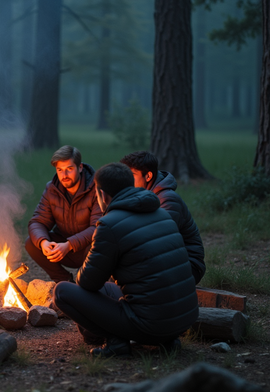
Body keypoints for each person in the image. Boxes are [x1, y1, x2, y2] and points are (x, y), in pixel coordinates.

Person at [53, 163, 199, 357]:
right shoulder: (162, 213)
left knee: (62, 291)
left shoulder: (108, 224)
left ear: (102, 195)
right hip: (183, 319)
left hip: (150, 325)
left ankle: (116, 343)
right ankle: (168, 341)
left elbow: (87, 282)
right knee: (107, 288)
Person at [120, 150, 206, 284]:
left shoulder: (168, 200)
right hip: (166, 261)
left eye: (131, 175)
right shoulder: (139, 196)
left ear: (148, 176)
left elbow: (157, 240)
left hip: (188, 266)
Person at [25, 145, 102, 283]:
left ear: (80, 167)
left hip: (88, 249)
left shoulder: (96, 188)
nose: (64, 175)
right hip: (63, 248)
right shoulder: (52, 189)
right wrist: (43, 242)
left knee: (99, 240)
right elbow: (38, 221)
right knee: (32, 242)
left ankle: (85, 281)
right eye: (60, 170)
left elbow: (98, 227)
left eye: (69, 169)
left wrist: (69, 244)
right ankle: (63, 281)